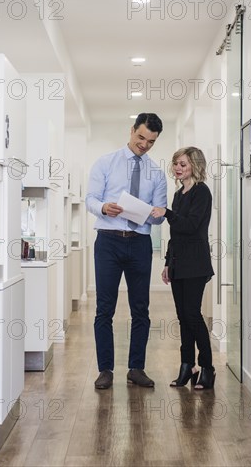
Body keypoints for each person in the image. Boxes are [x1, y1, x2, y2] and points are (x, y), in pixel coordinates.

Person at [85, 113, 167, 390]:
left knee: (140, 309)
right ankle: (105, 370)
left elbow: (159, 215)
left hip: (139, 243)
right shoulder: (106, 162)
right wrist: (104, 208)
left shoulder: (156, 173)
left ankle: (136, 368)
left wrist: (157, 214)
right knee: (104, 309)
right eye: (141, 137)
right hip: (108, 240)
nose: (144, 145)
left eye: (151, 142)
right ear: (132, 130)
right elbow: (91, 199)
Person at [151, 146, 215, 390]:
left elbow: (190, 226)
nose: (177, 168)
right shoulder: (179, 194)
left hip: (196, 264)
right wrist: (167, 263)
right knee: (183, 317)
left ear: (195, 166)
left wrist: (166, 212)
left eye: (183, 164)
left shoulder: (202, 192)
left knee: (192, 315)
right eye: (176, 163)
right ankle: (187, 366)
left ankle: (207, 367)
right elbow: (175, 234)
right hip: (178, 263)